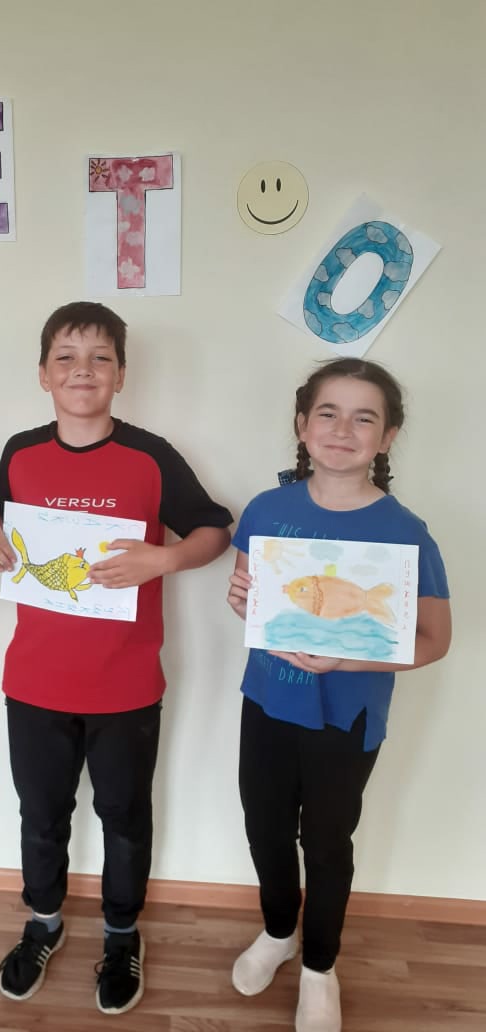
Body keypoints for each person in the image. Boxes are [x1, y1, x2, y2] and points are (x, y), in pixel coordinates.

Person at [0, 301, 232, 1015]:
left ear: (120, 374)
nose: (82, 370)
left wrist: (165, 558)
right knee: (41, 813)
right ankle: (43, 922)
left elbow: (215, 528)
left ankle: (120, 934)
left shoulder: (151, 455)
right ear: (43, 374)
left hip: (127, 685)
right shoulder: (22, 451)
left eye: (99, 358)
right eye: (66, 357)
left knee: (124, 815)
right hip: (34, 682)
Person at [226, 358, 451, 1032]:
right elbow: (251, 597)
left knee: (326, 842)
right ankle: (278, 932)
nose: (343, 430)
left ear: (387, 437)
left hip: (346, 719)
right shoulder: (267, 509)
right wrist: (242, 602)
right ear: (302, 425)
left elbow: (434, 639)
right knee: (265, 827)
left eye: (364, 418)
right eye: (328, 413)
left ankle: (320, 966)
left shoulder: (406, 532)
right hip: (267, 703)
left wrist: (347, 658)